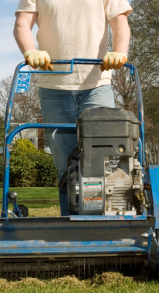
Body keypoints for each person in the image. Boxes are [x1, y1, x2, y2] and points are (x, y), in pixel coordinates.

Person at [13, 0, 132, 216]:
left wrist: (120, 52)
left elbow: (120, 22)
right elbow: (22, 23)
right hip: (53, 88)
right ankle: (71, 227)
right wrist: (30, 51)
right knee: (66, 166)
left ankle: (112, 224)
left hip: (96, 84)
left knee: (106, 160)